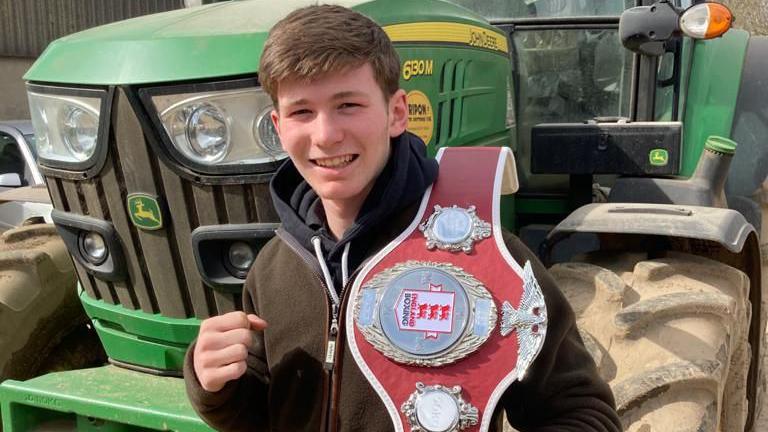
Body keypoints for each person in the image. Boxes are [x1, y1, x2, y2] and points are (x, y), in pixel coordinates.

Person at [183, 5, 622, 432]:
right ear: (279, 127)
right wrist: (215, 385)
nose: (326, 134)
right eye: (302, 112)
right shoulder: (273, 270)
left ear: (397, 113)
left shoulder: (489, 258)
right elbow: (265, 417)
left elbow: (585, 416)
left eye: (348, 105)